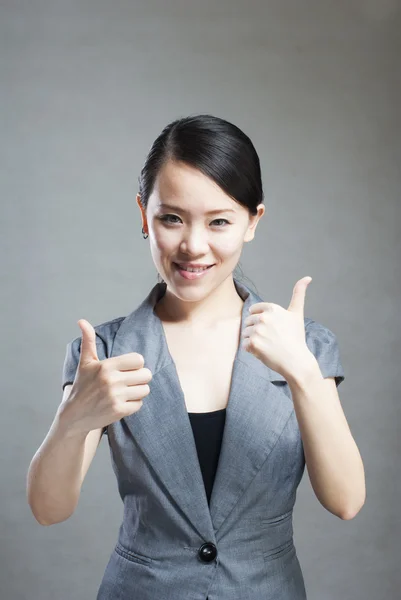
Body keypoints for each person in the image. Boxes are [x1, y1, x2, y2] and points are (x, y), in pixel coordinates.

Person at [27, 114, 355, 599]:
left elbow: (346, 501)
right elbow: (47, 509)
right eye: (171, 218)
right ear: (144, 215)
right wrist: (74, 418)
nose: (192, 246)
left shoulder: (303, 345)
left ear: (253, 221)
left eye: (219, 221)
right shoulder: (106, 351)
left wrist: (304, 374)